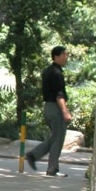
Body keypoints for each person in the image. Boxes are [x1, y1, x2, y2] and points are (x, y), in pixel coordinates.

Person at [26, 46, 72, 177]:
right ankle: (51, 168)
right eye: (63, 55)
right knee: (58, 137)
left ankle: (34, 155)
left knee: (55, 137)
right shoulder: (56, 73)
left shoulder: (48, 71)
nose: (66, 57)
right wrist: (65, 111)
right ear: (56, 56)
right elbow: (59, 94)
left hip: (48, 107)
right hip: (55, 107)